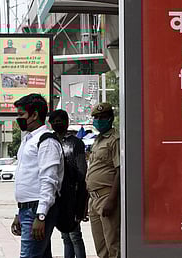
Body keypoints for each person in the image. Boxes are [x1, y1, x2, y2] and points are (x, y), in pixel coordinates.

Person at [10, 93, 64, 258]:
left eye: (21, 115)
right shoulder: (28, 140)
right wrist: (19, 212)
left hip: (37, 210)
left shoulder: (46, 141)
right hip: (28, 210)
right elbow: (27, 179)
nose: (18, 119)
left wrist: (41, 216)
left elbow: (49, 180)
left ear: (34, 115)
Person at [49, 110, 88, 258]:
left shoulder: (76, 143)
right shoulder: (50, 141)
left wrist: (82, 200)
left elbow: (82, 172)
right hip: (57, 195)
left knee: (75, 235)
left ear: (67, 122)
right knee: (65, 236)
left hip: (73, 194)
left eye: (60, 120)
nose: (57, 123)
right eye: (55, 121)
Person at [86, 102, 120, 258]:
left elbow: (120, 171)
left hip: (107, 197)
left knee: (113, 245)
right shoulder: (97, 140)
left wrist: (112, 200)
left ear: (111, 118)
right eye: (96, 117)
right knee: (101, 248)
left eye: (103, 117)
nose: (98, 120)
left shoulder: (115, 139)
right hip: (93, 199)